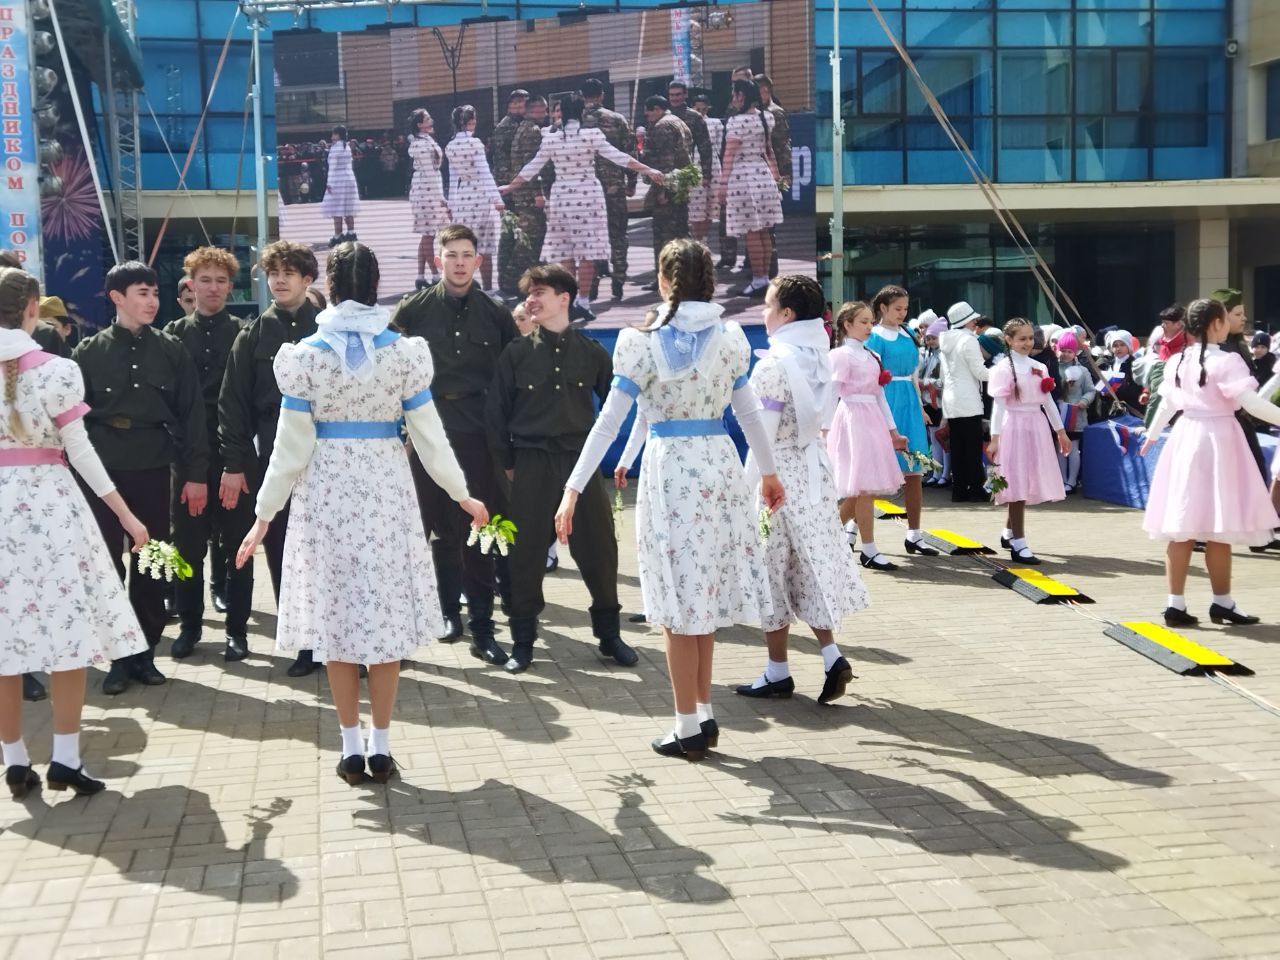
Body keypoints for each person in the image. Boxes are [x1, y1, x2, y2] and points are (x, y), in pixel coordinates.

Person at [236, 242, 488, 786]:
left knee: (337, 621)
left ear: (328, 280)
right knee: (384, 621)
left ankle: (351, 747)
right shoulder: (404, 353)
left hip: (325, 493)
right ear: (377, 284)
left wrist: (263, 516)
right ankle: (382, 745)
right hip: (386, 493)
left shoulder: (304, 355)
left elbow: (288, 448)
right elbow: (430, 437)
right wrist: (461, 493)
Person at [555, 239, 785, 762]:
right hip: (721, 467)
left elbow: (609, 420)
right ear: (711, 282)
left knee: (678, 604)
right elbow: (747, 415)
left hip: (672, 471)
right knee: (699, 600)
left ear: (663, 281)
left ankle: (687, 725)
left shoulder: (640, 342)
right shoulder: (731, 339)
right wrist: (768, 475)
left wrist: (572, 486)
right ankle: (702, 714)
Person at [1, 266, 151, 799]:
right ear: (32, 307)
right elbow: (81, 451)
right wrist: (126, 514)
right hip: (49, 505)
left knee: (5, 639)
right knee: (69, 634)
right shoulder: (58, 370)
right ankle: (64, 757)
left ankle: (14, 760)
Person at [485, 264, 637, 673]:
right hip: (531, 463)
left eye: (540, 293)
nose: (531, 301)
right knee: (525, 553)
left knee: (601, 549)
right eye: (529, 294)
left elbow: (615, 405)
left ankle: (609, 636)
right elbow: (495, 414)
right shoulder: (515, 354)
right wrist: (511, 466)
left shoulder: (591, 354)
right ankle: (523, 642)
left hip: (579, 464)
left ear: (564, 299)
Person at [73, 261, 207, 695]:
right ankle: (116, 655)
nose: (152, 301)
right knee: (106, 564)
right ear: (117, 298)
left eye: (154, 293)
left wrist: (195, 474)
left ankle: (146, 651)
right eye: (142, 293)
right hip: (101, 470)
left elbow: (193, 416)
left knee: (156, 560)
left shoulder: (171, 350)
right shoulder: (87, 352)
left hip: (155, 466)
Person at [735, 276, 867, 704]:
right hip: (814, 473)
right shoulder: (820, 358)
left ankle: (778, 671)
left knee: (770, 568)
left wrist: (747, 487)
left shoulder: (774, 364)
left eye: (768, 304)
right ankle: (831, 655)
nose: (763, 312)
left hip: (777, 479)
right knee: (808, 565)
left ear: (787, 313)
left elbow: (763, 433)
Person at [390, 224, 515, 665]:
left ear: (478, 262)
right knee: (422, 529)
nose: (459, 262)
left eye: (467, 255)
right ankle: (442, 615)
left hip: (477, 434)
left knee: (477, 530)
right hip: (425, 432)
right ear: (437, 260)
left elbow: (507, 382)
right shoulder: (413, 310)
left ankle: (482, 627)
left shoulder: (495, 314)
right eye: (451, 254)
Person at [1139, 298, 1280, 627]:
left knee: (1182, 523)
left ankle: (1175, 603)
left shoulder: (1177, 360)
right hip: (1220, 439)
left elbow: (1168, 404)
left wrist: (1151, 434)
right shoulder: (1228, 360)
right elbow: (1251, 403)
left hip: (1186, 436)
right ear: (1217, 323)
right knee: (1219, 525)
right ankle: (1222, 602)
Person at [218, 240, 321, 677]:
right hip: (273, 456)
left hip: (326, 455)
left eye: (288, 273)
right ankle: (302, 643)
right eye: (272, 273)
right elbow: (233, 403)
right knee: (281, 549)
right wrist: (236, 463)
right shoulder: (254, 332)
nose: (278, 280)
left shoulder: (328, 329)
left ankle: (338, 641)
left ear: (307, 280)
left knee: (328, 550)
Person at [500, 92, 664, 323]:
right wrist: (649, 170)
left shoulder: (551, 139)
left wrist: (510, 186)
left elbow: (532, 167)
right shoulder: (591, 135)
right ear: (581, 112)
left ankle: (570, 300)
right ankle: (584, 302)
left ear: (562, 112)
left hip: (561, 196)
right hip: (588, 195)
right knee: (589, 252)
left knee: (566, 252)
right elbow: (619, 157)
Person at [167, 247, 251, 662]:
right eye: (205, 280)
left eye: (220, 281)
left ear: (231, 288)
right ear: (190, 285)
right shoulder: (172, 335)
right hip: (186, 463)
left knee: (238, 548)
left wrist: (235, 463)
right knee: (186, 551)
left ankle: (238, 631)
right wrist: (188, 469)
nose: (213, 288)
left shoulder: (245, 333)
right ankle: (190, 627)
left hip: (234, 459)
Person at [827, 301, 908, 569]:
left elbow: (880, 395)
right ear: (846, 325)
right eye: (863, 322)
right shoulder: (840, 356)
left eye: (870, 322)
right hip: (852, 418)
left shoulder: (872, 356)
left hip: (871, 418)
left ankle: (830, 540)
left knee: (863, 488)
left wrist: (893, 431)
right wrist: (824, 430)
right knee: (862, 488)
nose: (868, 326)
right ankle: (869, 549)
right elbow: (831, 394)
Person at [987, 318, 1071, 565]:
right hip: (1014, 426)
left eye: (1030, 338)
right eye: (1021, 338)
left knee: (1027, 478)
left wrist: (1060, 431)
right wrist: (994, 439)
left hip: (1036, 426)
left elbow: (1048, 402)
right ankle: (1019, 543)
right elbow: (999, 407)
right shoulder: (1003, 368)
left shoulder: (1039, 367)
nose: (1026, 343)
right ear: (1009, 340)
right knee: (1017, 482)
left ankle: (1009, 532)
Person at [866, 285, 938, 566]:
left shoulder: (908, 334)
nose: (902, 313)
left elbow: (914, 376)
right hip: (885, 399)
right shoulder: (874, 336)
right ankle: (851, 531)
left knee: (915, 469)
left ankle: (915, 534)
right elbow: (870, 374)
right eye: (897, 308)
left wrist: (920, 407)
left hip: (908, 400)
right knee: (873, 472)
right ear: (882, 308)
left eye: (905, 309)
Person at [717, 79, 783, 299]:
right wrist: (776, 177)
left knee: (752, 232)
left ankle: (759, 280)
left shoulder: (737, 122)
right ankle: (763, 279)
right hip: (763, 176)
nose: (734, 98)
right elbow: (769, 150)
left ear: (743, 95)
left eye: (736, 94)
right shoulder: (766, 117)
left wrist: (723, 184)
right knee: (763, 230)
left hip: (743, 178)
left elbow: (729, 154)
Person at [581, 79, 638, 303]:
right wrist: (632, 181)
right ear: (602, 95)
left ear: (583, 96)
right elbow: (630, 152)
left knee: (590, 237)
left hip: (586, 190)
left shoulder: (574, 122)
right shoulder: (617, 119)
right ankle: (619, 280)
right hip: (614, 187)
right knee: (618, 234)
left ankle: (592, 285)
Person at [446, 106, 504, 294]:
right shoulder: (475, 143)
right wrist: (496, 198)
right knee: (485, 246)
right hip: (479, 195)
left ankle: (462, 286)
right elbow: (485, 172)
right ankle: (488, 289)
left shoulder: (450, 146)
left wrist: (452, 204)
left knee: (465, 246)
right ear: (470, 121)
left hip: (463, 197)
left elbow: (453, 178)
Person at [939, 300, 991, 502]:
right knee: (972, 447)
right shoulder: (968, 340)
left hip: (951, 400)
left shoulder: (946, 341)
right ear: (969, 321)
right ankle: (976, 488)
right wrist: (1002, 373)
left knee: (958, 447)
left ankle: (959, 489)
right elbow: (980, 372)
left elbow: (944, 375)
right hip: (968, 399)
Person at [640, 96, 693, 278]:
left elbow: (665, 162)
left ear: (656, 109)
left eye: (648, 111)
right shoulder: (679, 122)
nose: (647, 115)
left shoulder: (662, 127)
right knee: (682, 233)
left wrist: (662, 190)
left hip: (668, 187)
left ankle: (666, 277)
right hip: (682, 184)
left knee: (664, 236)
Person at [504, 95, 551, 296]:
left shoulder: (522, 127)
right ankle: (511, 282)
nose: (546, 114)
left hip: (521, 194)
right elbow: (532, 168)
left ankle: (525, 282)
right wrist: (537, 194)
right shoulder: (532, 131)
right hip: (529, 196)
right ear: (534, 110)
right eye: (543, 110)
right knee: (530, 241)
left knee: (529, 240)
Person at [407, 109, 451, 290]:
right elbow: (428, 171)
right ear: (420, 124)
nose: (431, 121)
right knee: (429, 234)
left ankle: (420, 275)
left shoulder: (425, 140)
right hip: (426, 190)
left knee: (427, 234)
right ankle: (434, 275)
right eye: (427, 119)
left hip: (429, 187)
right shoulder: (419, 144)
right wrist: (441, 197)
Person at [491, 89, 529, 297]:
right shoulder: (505, 127)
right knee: (508, 235)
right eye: (520, 103)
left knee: (516, 234)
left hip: (517, 188)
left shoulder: (521, 125)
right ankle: (505, 280)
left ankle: (514, 278)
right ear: (511, 104)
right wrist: (510, 190)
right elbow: (502, 163)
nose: (522, 107)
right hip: (509, 189)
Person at [1054, 331, 1094, 493]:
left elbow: (1091, 390)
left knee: (1073, 447)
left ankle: (1071, 481)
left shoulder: (1082, 371)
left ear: (1076, 352)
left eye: (1069, 351)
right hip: (1057, 412)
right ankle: (1061, 479)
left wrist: (1084, 402)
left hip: (1075, 414)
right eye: (1062, 350)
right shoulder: (1053, 367)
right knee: (1059, 447)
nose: (1065, 354)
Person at [918, 312, 949, 486]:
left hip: (940, 401)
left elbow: (942, 381)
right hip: (929, 401)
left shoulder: (943, 355)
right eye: (928, 338)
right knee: (934, 437)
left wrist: (926, 382)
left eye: (933, 338)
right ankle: (937, 472)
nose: (930, 341)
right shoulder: (930, 355)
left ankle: (945, 473)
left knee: (942, 438)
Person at [688, 93, 722, 246]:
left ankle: (704, 240)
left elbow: (719, 147)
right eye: (697, 109)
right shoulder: (688, 123)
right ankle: (696, 240)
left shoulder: (716, 124)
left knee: (710, 206)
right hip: (694, 166)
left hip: (712, 165)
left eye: (703, 109)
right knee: (696, 207)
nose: (701, 112)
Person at [319, 125, 359, 247]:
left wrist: (329, 182)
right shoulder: (346, 146)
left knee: (337, 207)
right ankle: (351, 232)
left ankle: (338, 235)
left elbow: (332, 166)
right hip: (349, 178)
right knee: (348, 206)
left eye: (334, 134)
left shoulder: (336, 148)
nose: (332, 136)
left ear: (338, 135)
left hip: (338, 179)